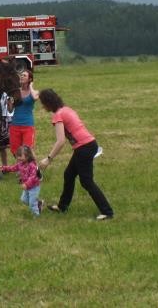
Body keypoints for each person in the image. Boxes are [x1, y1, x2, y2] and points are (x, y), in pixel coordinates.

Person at [38, 89, 114, 221]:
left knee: (86, 181)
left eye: (43, 103)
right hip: (88, 145)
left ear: (48, 103)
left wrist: (48, 159)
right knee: (69, 175)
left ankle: (107, 212)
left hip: (84, 148)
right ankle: (62, 206)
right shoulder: (66, 109)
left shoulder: (58, 115)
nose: (42, 106)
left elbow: (60, 141)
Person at [0, 145, 43, 217]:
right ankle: (38, 203)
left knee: (31, 203)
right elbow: (12, 168)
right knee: (24, 200)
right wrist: (4, 168)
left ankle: (36, 215)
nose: (18, 158)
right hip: (27, 187)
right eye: (17, 156)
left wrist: (27, 184)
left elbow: (33, 177)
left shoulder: (32, 165)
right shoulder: (20, 164)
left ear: (27, 156)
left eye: (20, 156)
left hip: (34, 187)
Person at [9, 70, 39, 155]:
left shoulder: (34, 92)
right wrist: (9, 102)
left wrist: (31, 86)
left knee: (28, 150)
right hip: (15, 125)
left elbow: (35, 98)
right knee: (15, 151)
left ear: (30, 79)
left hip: (28, 125)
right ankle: (21, 167)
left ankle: (34, 168)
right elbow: (10, 110)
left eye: (24, 75)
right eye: (21, 75)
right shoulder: (16, 92)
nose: (21, 76)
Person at [0, 92, 15, 166]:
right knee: (1, 146)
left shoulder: (9, 92)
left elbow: (10, 109)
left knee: (14, 145)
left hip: (9, 119)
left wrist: (9, 102)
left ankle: (22, 165)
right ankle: (5, 167)